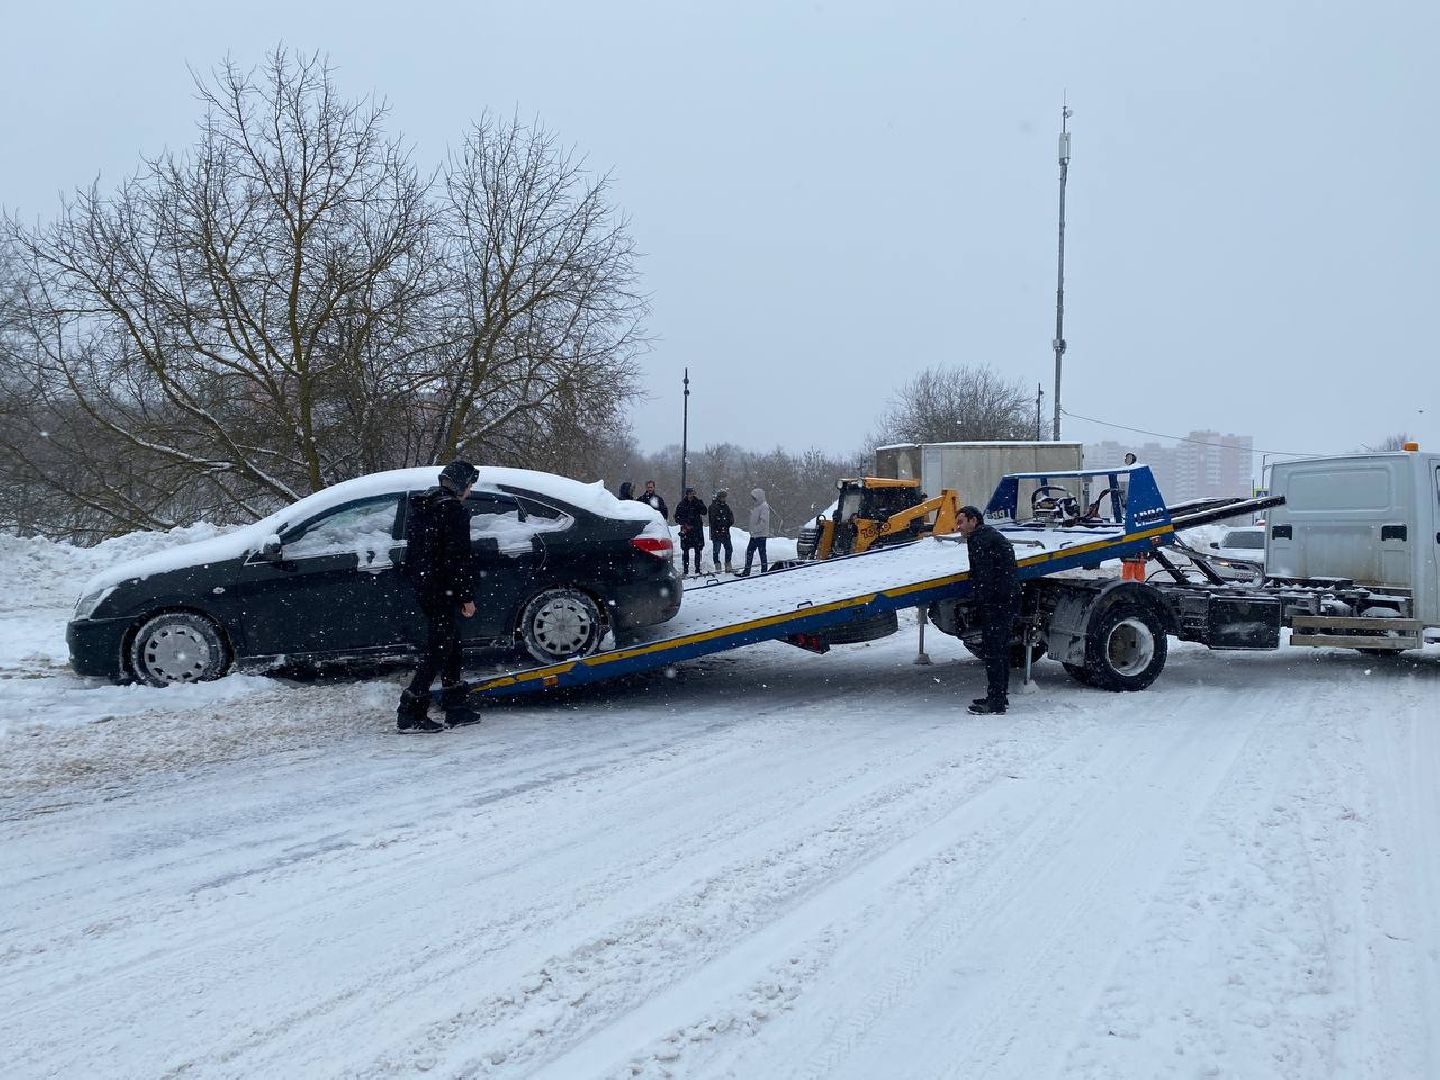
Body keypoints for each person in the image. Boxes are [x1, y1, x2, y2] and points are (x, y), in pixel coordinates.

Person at [396, 460, 480, 733]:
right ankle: (410, 711)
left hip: (426, 586)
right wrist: (466, 596)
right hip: (443, 587)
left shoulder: (424, 505)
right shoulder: (452, 511)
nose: (469, 492)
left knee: (450, 642)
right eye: (469, 486)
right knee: (440, 646)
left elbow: (419, 552)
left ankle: (455, 706)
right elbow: (458, 558)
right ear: (461, 484)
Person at [955, 504, 1018, 715]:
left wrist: (981, 602)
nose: (958, 527)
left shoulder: (980, 539)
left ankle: (996, 703)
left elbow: (984, 576)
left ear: (973, 521)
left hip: (997, 602)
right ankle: (999, 696)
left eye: (961, 522)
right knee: (1000, 650)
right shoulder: (987, 535)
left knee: (994, 652)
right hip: (1005, 599)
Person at [739, 487, 773, 576]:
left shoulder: (764, 507)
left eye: (754, 498)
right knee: (750, 552)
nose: (753, 500)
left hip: (760, 535)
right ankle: (747, 571)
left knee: (761, 553)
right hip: (754, 535)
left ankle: (764, 571)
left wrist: (755, 530)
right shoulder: (757, 506)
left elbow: (763, 522)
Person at [674, 487, 708, 575]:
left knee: (698, 550)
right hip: (686, 530)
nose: (691, 495)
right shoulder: (682, 504)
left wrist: (698, 503)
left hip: (696, 530)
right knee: (685, 550)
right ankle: (686, 570)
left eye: (693, 493)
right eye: (690, 493)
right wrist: (685, 524)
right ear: (687, 494)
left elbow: (704, 512)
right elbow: (677, 517)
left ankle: (697, 569)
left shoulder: (698, 502)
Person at [708, 490, 735, 573]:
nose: (724, 499)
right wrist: (721, 525)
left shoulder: (726, 507)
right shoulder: (713, 507)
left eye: (724, 497)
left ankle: (728, 565)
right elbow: (713, 520)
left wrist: (726, 524)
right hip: (716, 532)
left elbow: (731, 518)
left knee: (729, 549)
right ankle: (718, 567)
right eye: (723, 497)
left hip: (725, 532)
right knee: (716, 550)